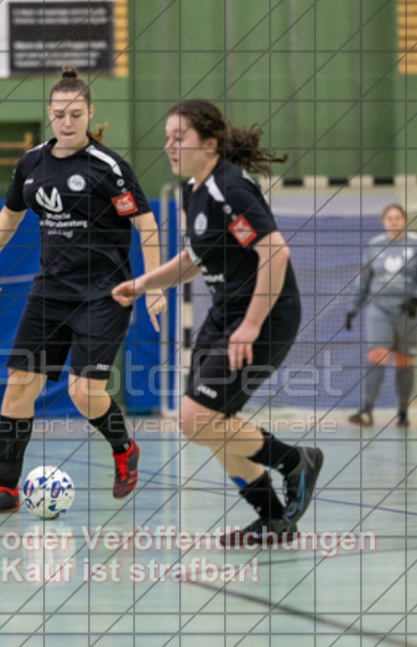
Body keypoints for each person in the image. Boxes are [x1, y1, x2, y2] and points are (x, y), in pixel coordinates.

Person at [112, 100, 323, 546]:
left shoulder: (230, 188)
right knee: (209, 424)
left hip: (264, 316)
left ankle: (296, 461)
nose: (169, 146)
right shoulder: (194, 192)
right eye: (166, 138)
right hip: (224, 314)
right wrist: (145, 283)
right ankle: (274, 520)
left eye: (179, 137)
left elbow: (275, 253)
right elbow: (194, 259)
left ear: (209, 144)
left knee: (197, 419)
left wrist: (250, 326)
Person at [0, 67, 166, 514]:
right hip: (50, 292)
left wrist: (153, 286)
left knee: (83, 392)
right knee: (18, 386)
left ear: (90, 113)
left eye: (76, 114)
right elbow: (10, 214)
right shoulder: (31, 164)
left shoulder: (109, 168)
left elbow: (147, 224)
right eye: (59, 114)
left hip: (104, 294)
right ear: (49, 114)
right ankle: (6, 490)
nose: (67, 122)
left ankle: (124, 449)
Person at [344, 204, 417, 428]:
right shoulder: (375, 245)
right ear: (383, 221)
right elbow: (364, 281)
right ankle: (366, 411)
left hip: (408, 310)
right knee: (377, 354)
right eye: (389, 218)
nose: (394, 221)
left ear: (404, 219)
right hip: (380, 309)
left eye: (397, 217)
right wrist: (352, 308)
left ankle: (403, 412)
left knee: (404, 360)